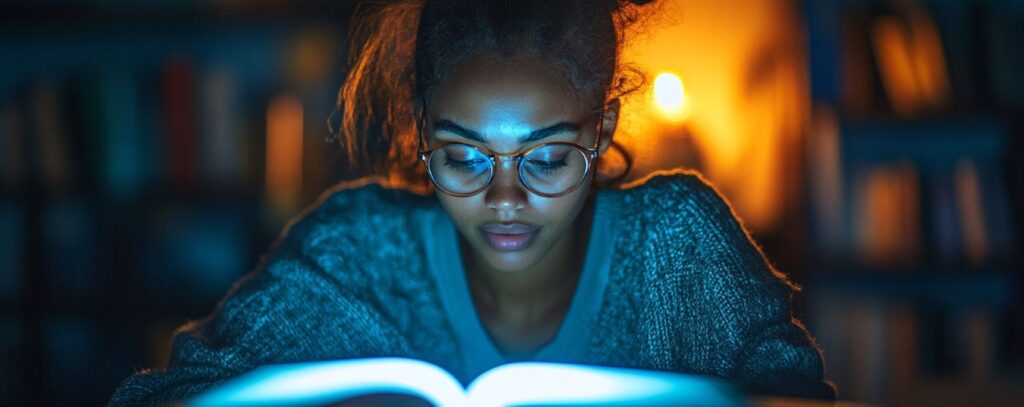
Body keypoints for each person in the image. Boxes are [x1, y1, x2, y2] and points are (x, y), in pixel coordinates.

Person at [108, 0, 836, 404]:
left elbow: (797, 393)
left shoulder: (682, 248)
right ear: (423, 132)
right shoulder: (353, 252)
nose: (505, 198)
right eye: (462, 157)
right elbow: (164, 397)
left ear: (603, 127)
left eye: (548, 157)